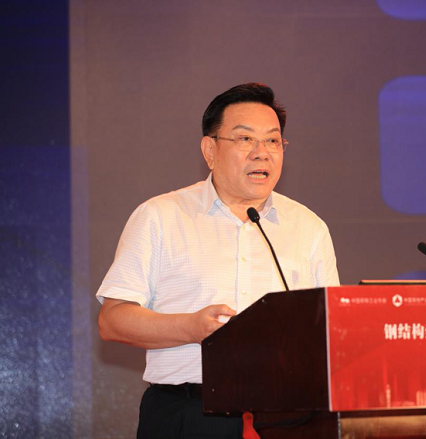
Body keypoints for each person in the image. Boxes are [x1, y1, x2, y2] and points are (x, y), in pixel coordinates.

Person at [96, 83, 340, 438]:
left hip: (288, 418)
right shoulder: (161, 216)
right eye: (245, 139)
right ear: (210, 150)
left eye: (273, 141)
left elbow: (331, 332)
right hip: (189, 415)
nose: (262, 153)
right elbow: (112, 321)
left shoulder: (309, 228)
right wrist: (191, 328)